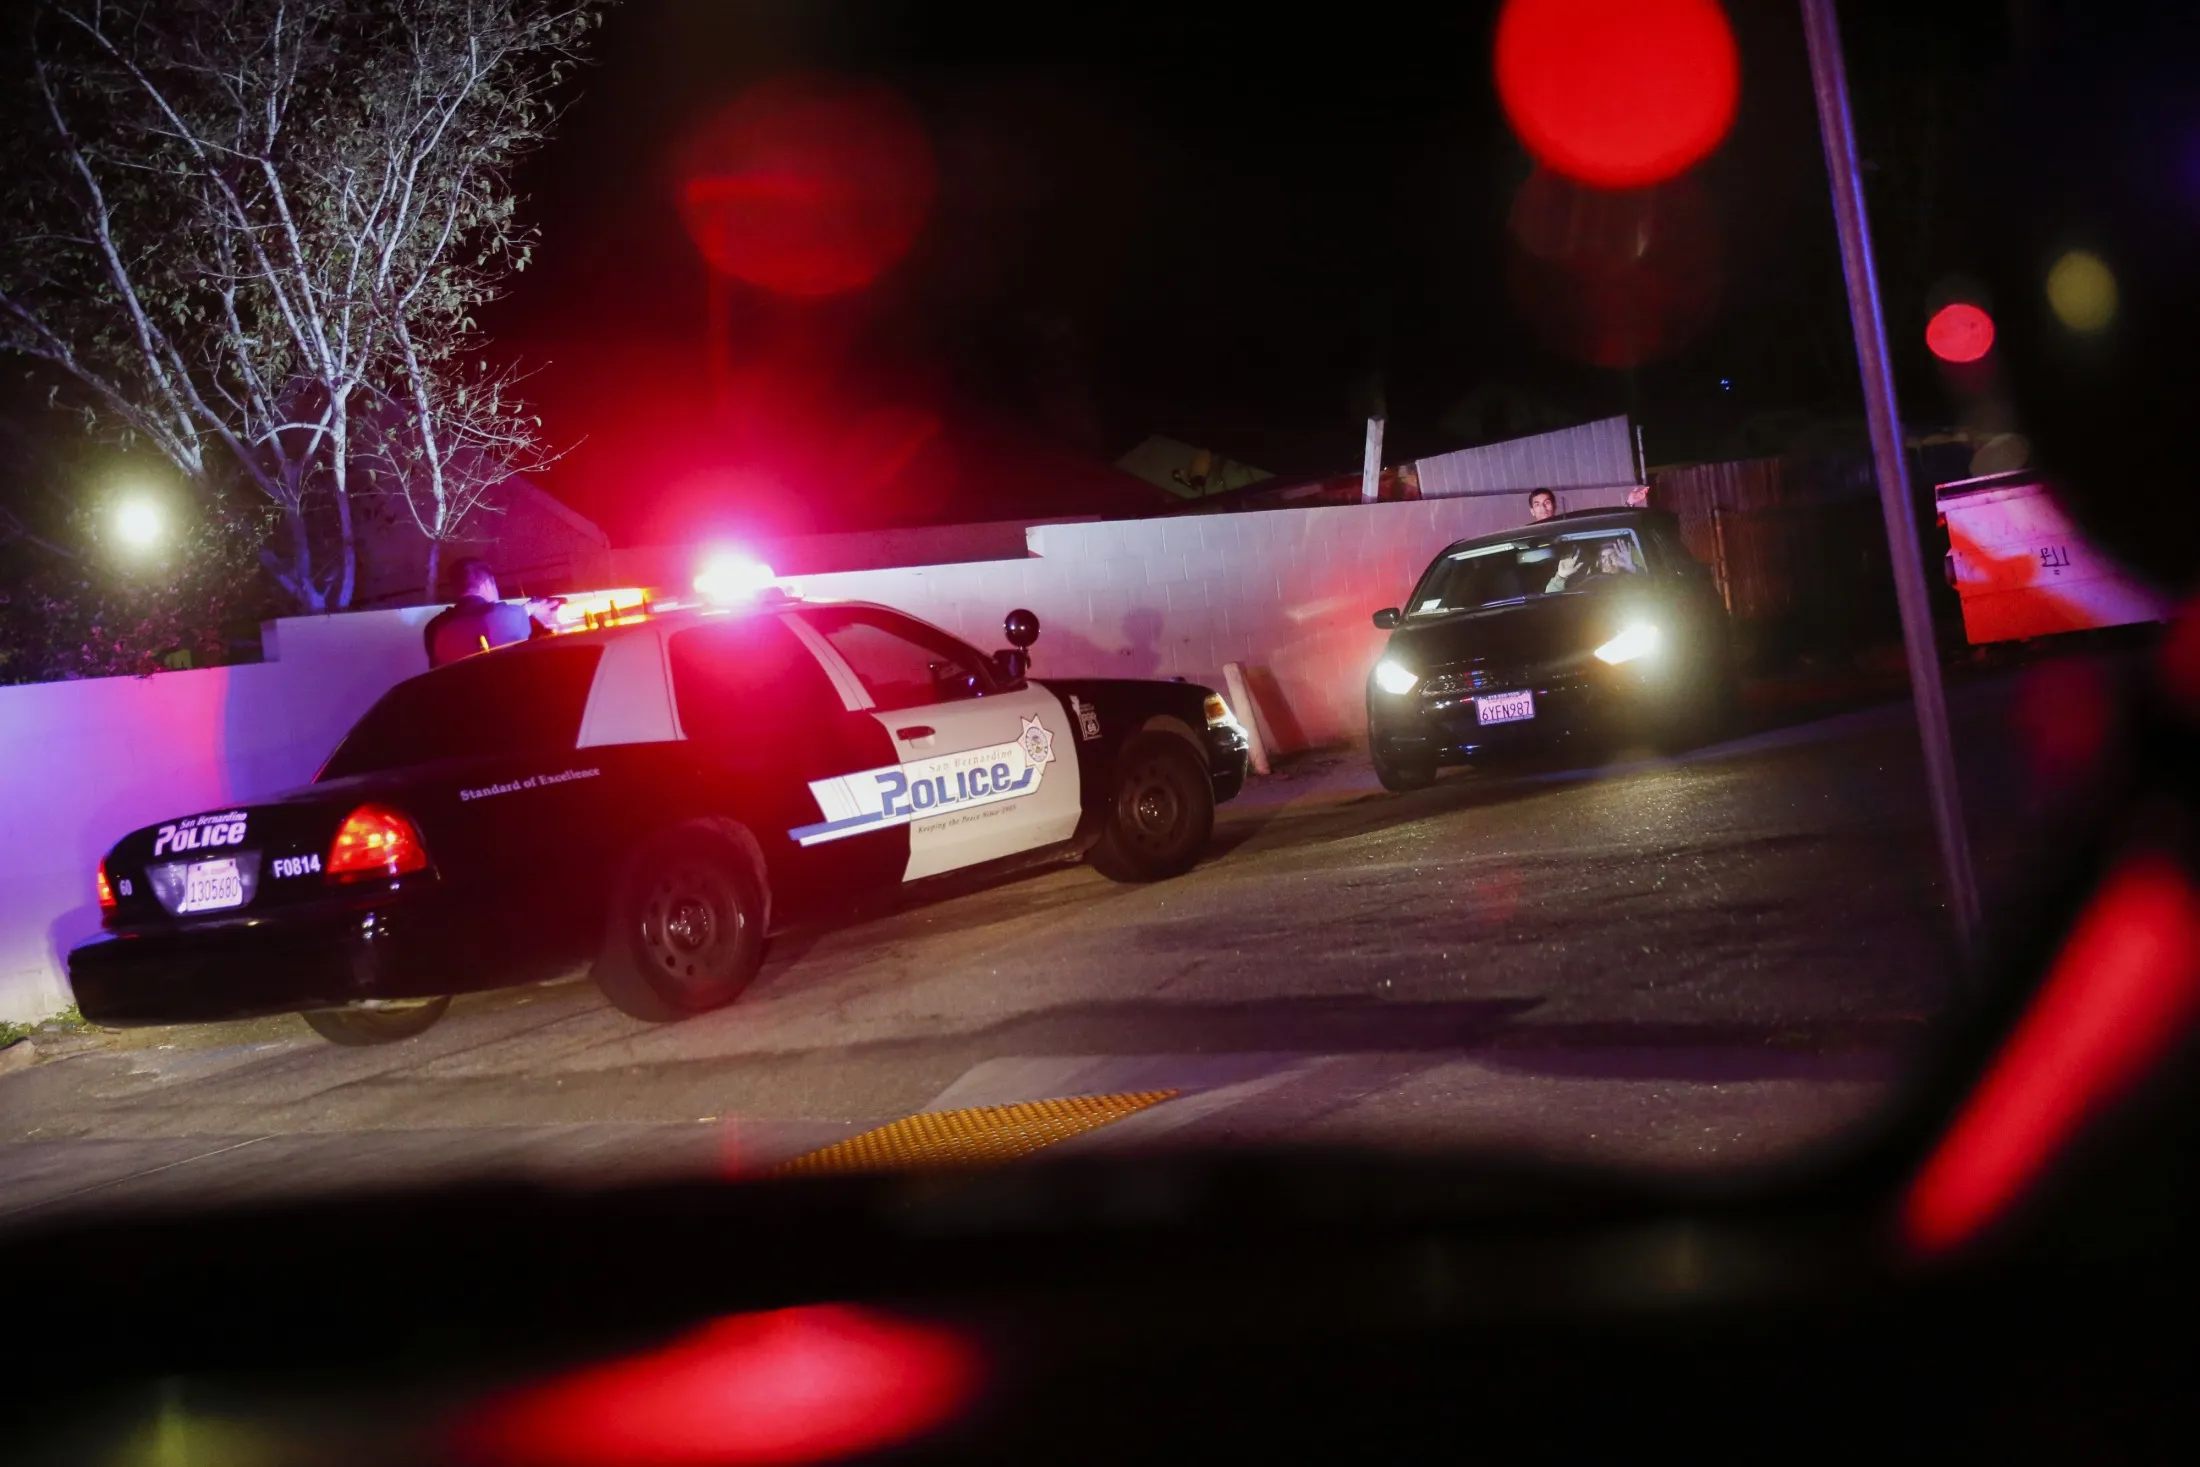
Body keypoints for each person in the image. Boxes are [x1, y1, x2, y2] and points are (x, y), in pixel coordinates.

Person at [422, 559, 556, 668]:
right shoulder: (500, 616)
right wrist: (534, 606)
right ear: (486, 584)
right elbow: (504, 617)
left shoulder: (434, 628)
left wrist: (530, 608)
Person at [1544, 537, 1638, 594]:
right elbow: (1549, 601)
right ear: (1598, 561)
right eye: (1603, 557)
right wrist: (1560, 577)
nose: (1608, 561)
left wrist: (1631, 568)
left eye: (1613, 556)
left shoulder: (1630, 580)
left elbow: (1647, 590)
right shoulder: (1586, 582)